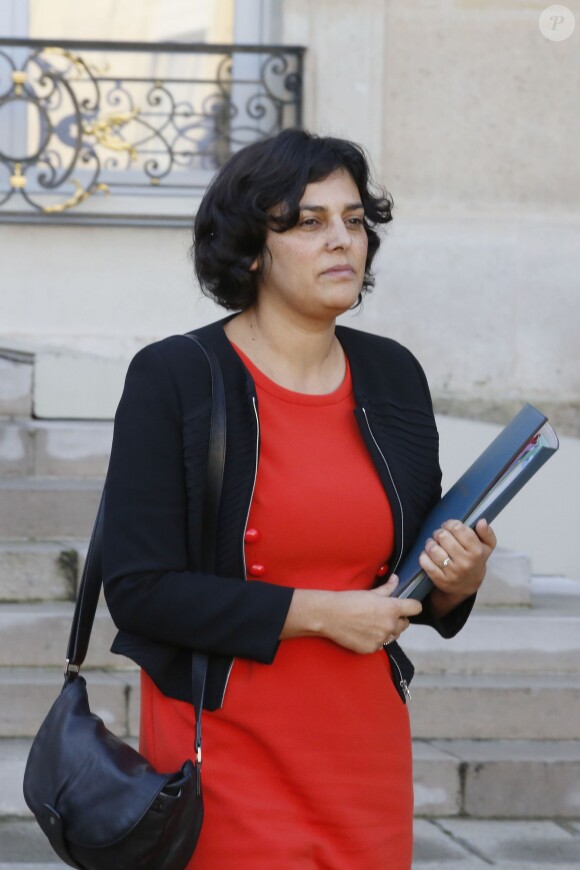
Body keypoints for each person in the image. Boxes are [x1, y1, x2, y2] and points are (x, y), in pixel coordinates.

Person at [102, 129, 496, 869]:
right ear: (252, 250)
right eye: (309, 222)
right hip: (224, 747)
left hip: (363, 749)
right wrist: (318, 613)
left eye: (354, 220)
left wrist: (457, 579)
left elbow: (411, 562)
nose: (342, 240)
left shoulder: (393, 374)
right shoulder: (176, 377)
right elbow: (140, 590)